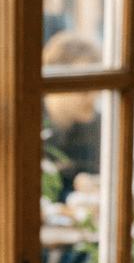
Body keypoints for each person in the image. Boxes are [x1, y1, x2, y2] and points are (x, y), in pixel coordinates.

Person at [41, 32, 102, 203]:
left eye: (98, 85)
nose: (94, 95)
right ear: (55, 81)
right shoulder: (29, 124)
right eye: (84, 87)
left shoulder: (97, 125)